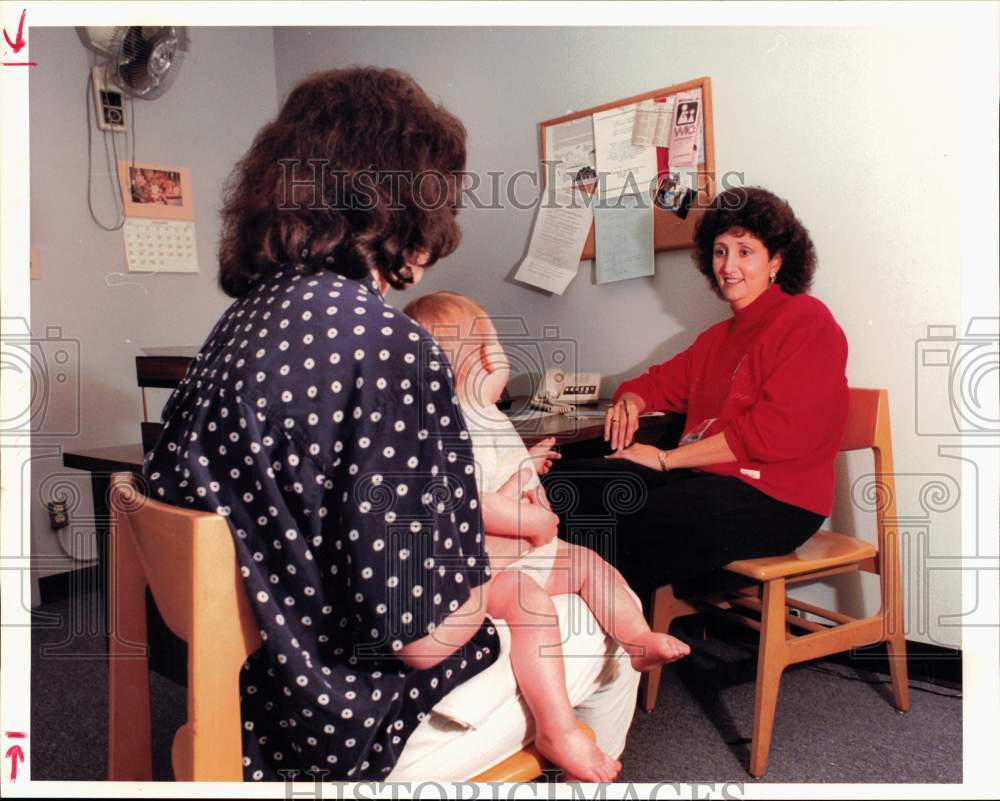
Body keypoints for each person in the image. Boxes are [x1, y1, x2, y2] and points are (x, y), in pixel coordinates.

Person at [143, 66, 639, 782]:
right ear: (407, 206)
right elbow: (423, 637)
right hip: (353, 733)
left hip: (252, 703)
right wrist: (485, 571)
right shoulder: (389, 346)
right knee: (597, 621)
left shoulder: (238, 325)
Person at [404, 292, 689, 782]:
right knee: (531, 603)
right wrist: (527, 519)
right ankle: (557, 726)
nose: (499, 355)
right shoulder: (448, 428)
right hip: (490, 573)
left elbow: (495, 480)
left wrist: (524, 466)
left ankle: (637, 639)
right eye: (490, 345)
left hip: (527, 551)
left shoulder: (487, 417)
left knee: (595, 567)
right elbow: (471, 503)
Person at [542, 186, 849, 600]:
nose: (728, 265)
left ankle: (595, 631)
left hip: (777, 499)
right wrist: (630, 401)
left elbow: (772, 433)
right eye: (720, 251)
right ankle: (557, 620)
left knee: (626, 516)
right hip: (707, 480)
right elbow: (653, 384)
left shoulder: (807, 320)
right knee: (559, 484)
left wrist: (666, 460)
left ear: (776, 261)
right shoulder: (716, 339)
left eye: (745, 251)